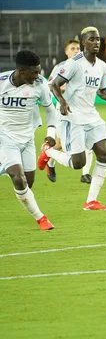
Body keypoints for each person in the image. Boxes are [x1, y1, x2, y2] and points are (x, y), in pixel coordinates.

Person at [37, 27, 106, 210]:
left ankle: (91, 201)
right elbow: (54, 85)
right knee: (78, 163)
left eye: (98, 39)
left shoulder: (102, 66)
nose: (96, 42)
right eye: (92, 39)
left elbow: (101, 90)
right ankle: (48, 151)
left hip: (91, 115)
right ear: (83, 43)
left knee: (104, 154)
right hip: (72, 117)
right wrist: (63, 102)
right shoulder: (74, 64)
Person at [0, 50, 58, 230]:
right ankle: (42, 219)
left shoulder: (39, 85)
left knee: (28, 183)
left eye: (39, 71)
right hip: (5, 137)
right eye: (34, 72)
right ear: (22, 71)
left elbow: (50, 110)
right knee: (19, 179)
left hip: (27, 139)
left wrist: (51, 132)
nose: (38, 76)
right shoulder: (1, 82)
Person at [44, 39, 95, 183]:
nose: (76, 51)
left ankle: (85, 174)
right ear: (66, 52)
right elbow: (50, 85)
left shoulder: (86, 66)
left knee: (88, 141)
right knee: (60, 145)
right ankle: (50, 161)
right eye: (72, 48)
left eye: (78, 48)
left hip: (82, 110)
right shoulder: (61, 67)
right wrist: (65, 88)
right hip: (64, 111)